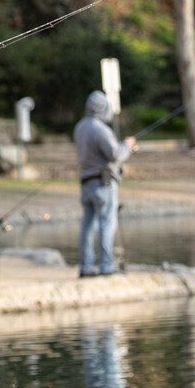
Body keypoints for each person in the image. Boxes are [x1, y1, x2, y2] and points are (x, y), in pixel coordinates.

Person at [73, 90, 136, 277]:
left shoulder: (80, 126)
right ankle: (106, 267)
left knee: (87, 225)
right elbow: (116, 155)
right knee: (106, 224)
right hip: (102, 184)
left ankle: (85, 267)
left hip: (85, 183)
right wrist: (128, 145)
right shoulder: (100, 129)